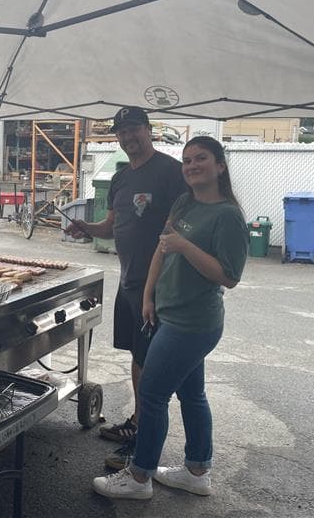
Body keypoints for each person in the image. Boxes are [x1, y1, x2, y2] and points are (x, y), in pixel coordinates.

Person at [92, 135, 249, 500]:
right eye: (188, 160)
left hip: (192, 323)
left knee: (152, 393)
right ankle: (197, 471)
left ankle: (140, 476)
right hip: (168, 312)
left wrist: (185, 245)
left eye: (201, 159)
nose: (192, 166)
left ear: (220, 166)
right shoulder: (184, 201)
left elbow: (229, 276)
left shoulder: (227, 215)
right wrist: (149, 295)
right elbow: (163, 249)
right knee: (192, 395)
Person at [65, 106, 185, 469]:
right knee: (137, 357)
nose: (129, 137)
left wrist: (154, 286)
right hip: (129, 281)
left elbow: (175, 230)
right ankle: (137, 423)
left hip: (159, 287)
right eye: (122, 132)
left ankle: (144, 447)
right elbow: (111, 226)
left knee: (154, 367)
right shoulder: (120, 178)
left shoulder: (170, 172)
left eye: (134, 129)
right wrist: (87, 228)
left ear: (149, 131)